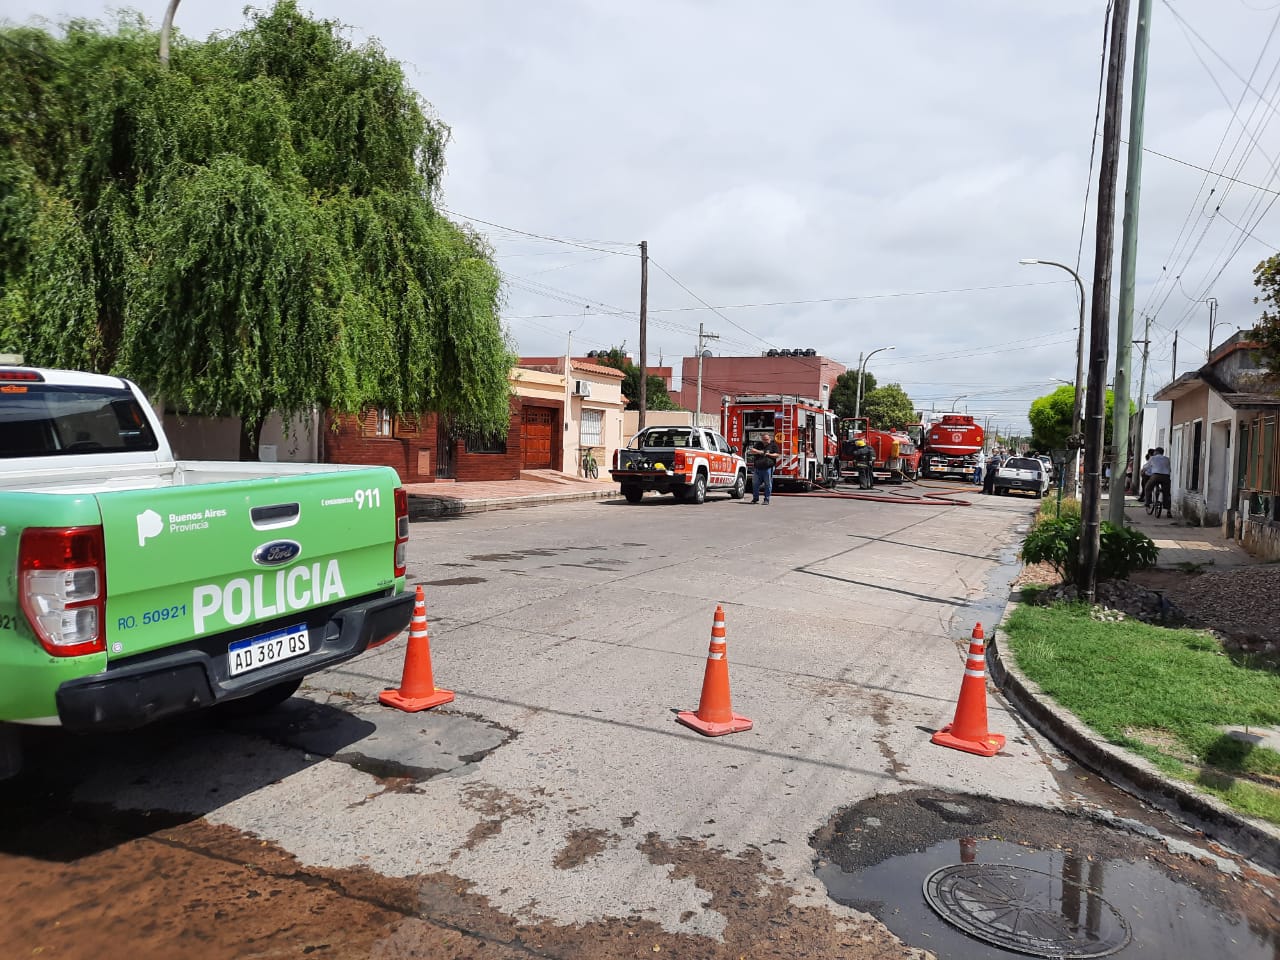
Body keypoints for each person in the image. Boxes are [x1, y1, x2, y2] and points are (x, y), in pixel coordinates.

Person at [750, 434, 781, 504]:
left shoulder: (773, 445)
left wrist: (768, 454)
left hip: (768, 468)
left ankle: (766, 499)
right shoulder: (758, 444)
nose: (765, 441)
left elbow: (777, 455)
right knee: (755, 484)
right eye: (763, 439)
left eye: (766, 439)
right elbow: (752, 450)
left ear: (769, 439)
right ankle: (755, 498)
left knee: (768, 484)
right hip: (757, 468)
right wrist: (761, 452)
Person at [1145, 446, 1172, 511]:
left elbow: (1147, 467)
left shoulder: (1152, 458)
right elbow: (1169, 469)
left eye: (1154, 452)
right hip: (1166, 477)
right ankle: (1168, 509)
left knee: (1147, 488)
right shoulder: (1167, 459)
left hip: (1155, 476)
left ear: (1156, 452)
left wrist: (1144, 471)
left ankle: (1148, 503)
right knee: (1167, 493)